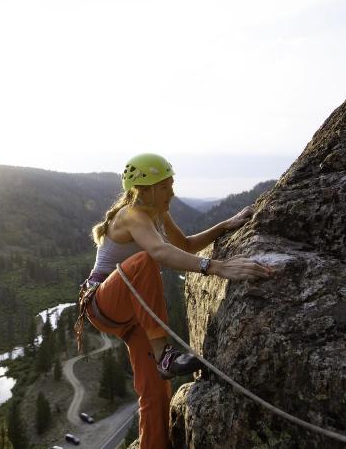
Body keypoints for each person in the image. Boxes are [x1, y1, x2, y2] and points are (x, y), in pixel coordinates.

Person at [74, 153, 274, 449]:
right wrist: (216, 268)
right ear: (146, 189)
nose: (172, 192)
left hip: (129, 314)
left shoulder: (156, 211)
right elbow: (160, 253)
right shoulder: (132, 215)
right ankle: (165, 356)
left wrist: (224, 226)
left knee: (155, 393)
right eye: (165, 187)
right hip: (102, 304)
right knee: (144, 261)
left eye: (171, 184)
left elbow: (186, 245)